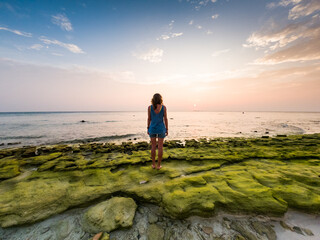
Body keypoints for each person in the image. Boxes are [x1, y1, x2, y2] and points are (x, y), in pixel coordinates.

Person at [147, 93, 168, 169]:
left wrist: (148, 128)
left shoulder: (149, 108)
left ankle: (153, 164)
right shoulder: (164, 108)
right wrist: (167, 129)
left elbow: (149, 119)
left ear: (153, 99)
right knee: (160, 147)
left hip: (152, 128)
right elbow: (165, 119)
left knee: (153, 146)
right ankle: (158, 165)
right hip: (161, 129)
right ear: (160, 99)